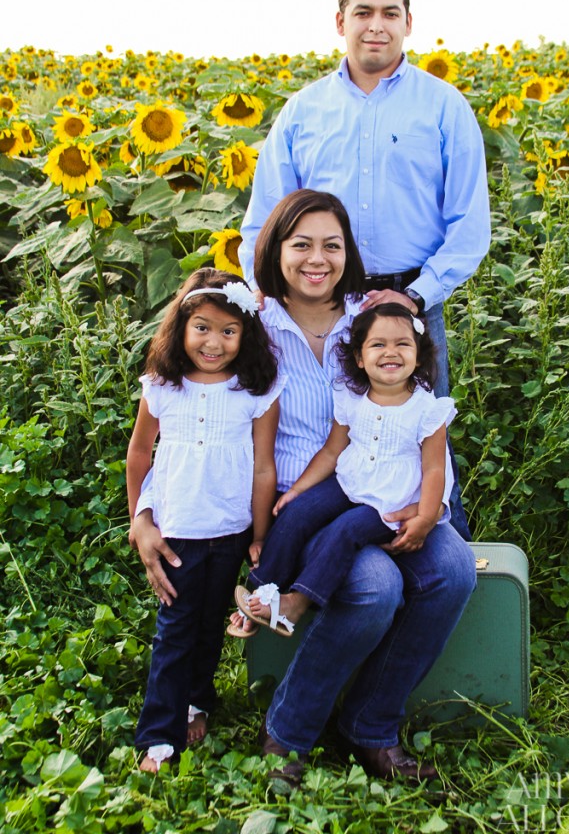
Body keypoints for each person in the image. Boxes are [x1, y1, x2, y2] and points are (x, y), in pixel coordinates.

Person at [134, 190, 476, 784]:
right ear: (275, 249)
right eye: (301, 244)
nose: (317, 258)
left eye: (332, 245)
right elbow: (187, 416)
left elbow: (422, 414)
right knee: (375, 589)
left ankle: (370, 724)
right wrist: (147, 513)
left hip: (390, 487)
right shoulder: (248, 322)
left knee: (452, 570)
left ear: (349, 254)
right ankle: (288, 732)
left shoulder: (374, 317)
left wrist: (430, 503)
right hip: (301, 496)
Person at [239, 0, 491, 539]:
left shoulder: (444, 106)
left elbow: (469, 226)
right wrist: (267, 296)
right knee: (316, 435)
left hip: (408, 301)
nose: (376, 25)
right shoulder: (304, 111)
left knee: (421, 444)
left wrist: (414, 297)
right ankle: (302, 565)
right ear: (340, 21)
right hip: (317, 302)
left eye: (389, 13)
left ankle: (436, 563)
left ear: (408, 23)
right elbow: (263, 220)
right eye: (363, 12)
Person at [127, 267, 283, 773]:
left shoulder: (255, 390)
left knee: (210, 624)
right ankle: (159, 737)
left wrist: (260, 534)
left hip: (231, 529)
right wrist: (139, 519)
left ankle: (197, 700)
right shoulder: (163, 386)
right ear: (181, 326)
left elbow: (263, 467)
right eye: (202, 327)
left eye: (228, 331)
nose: (213, 342)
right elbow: (138, 455)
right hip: (178, 531)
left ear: (246, 334)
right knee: (175, 628)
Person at [233, 304, 456, 637]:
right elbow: (332, 451)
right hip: (350, 482)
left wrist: (425, 518)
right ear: (360, 358)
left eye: (403, 344)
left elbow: (436, 469)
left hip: (388, 502)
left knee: (346, 530)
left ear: (419, 356)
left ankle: (296, 604)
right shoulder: (352, 396)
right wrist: (297, 490)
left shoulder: (428, 409)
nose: (390, 352)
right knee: (297, 512)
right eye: (378, 345)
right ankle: (261, 592)